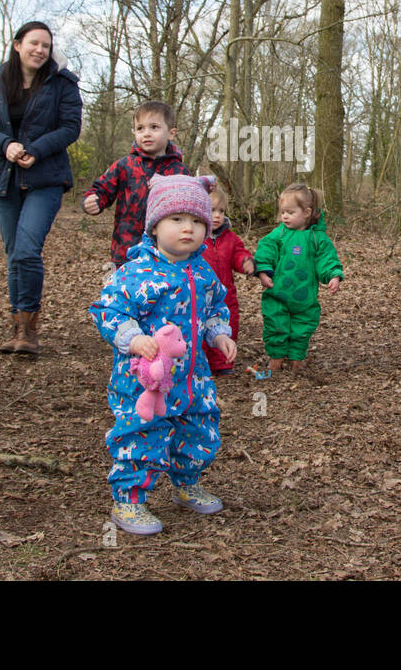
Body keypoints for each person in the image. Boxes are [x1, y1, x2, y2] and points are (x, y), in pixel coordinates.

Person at [90, 175, 236, 536]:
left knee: (199, 427)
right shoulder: (136, 272)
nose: (189, 228)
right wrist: (133, 338)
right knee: (142, 433)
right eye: (177, 220)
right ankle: (129, 499)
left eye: (198, 221)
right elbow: (108, 309)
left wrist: (218, 334)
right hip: (143, 379)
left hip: (192, 377)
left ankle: (187, 482)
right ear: (154, 226)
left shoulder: (202, 271)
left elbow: (215, 307)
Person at [0, 21, 82, 355]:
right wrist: (6, 145)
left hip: (46, 177)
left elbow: (70, 127)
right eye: (34, 43)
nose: (40, 50)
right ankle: (17, 324)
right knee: (14, 256)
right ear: (17, 44)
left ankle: (29, 329)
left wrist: (35, 149)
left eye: (46, 46)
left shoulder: (63, 83)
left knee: (26, 250)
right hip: (4, 177)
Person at [82, 100, 188, 266]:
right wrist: (94, 200)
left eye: (154, 127)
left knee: (163, 290)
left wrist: (204, 190)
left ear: (171, 133)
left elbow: (190, 204)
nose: (146, 133)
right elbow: (102, 188)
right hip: (126, 247)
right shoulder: (125, 165)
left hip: (166, 250)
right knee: (127, 291)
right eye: (140, 128)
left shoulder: (179, 171)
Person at [253, 183, 343, 372]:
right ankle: (276, 358)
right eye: (283, 212)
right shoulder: (280, 233)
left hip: (305, 296)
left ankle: (296, 358)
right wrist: (263, 271)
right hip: (277, 293)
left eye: (290, 212)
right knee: (275, 323)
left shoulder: (317, 238)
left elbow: (326, 259)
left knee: (303, 327)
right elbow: (266, 249)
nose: (284, 216)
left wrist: (333, 275)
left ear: (307, 212)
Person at [201, 185, 255, 376]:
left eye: (221, 211)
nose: (217, 216)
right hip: (199, 295)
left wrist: (245, 262)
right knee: (199, 326)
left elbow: (238, 254)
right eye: (211, 210)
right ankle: (200, 363)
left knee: (227, 324)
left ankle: (223, 362)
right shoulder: (196, 238)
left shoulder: (230, 238)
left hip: (224, 295)